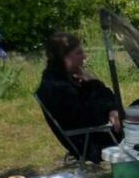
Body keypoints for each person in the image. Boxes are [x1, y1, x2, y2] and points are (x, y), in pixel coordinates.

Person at [36, 32, 121, 163]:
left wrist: (112, 109)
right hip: (94, 141)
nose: (84, 57)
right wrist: (93, 83)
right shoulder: (56, 88)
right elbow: (90, 115)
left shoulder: (69, 78)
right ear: (63, 57)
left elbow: (109, 101)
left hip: (106, 129)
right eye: (79, 53)